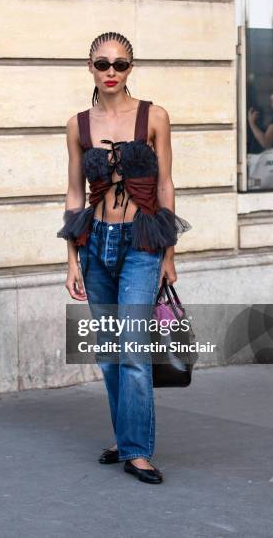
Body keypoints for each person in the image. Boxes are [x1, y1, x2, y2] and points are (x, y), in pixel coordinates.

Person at [57, 31, 192, 484]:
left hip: (141, 243)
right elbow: (75, 192)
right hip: (94, 243)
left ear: (131, 68)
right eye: (102, 64)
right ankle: (126, 434)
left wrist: (169, 253)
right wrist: (71, 259)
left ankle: (136, 451)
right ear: (90, 67)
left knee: (133, 350)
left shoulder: (154, 117)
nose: (111, 72)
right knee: (109, 354)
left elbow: (167, 185)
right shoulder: (78, 124)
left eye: (119, 64)